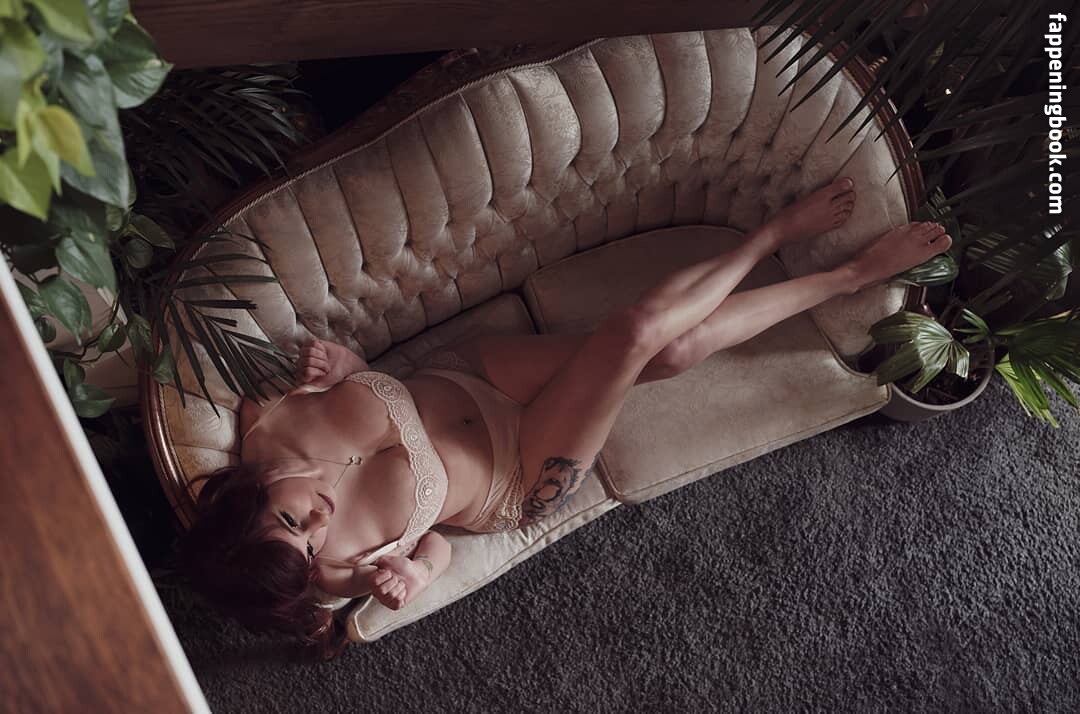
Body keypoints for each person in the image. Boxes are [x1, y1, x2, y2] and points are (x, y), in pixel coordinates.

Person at [178, 177, 952, 658]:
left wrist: (350, 369)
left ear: (248, 495)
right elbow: (436, 546)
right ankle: (824, 262)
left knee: (669, 350)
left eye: (292, 517)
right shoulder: (325, 574)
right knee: (646, 339)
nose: (319, 519)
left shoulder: (268, 416)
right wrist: (415, 571)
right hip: (517, 472)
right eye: (312, 539)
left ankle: (783, 247)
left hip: (471, 375)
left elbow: (339, 382)